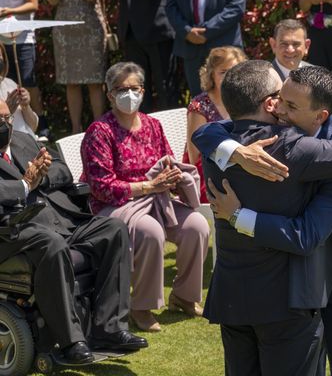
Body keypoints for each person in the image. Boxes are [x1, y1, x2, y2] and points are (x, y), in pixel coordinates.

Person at [192, 60, 332, 376]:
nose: (281, 106)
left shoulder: (220, 145)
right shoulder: (293, 148)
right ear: (269, 102)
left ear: (321, 114)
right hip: (290, 295)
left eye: (289, 102)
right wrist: (238, 155)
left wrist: (238, 211)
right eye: (280, 98)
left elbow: (205, 132)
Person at [0, 99, 147, 364]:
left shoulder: (24, 140)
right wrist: (24, 185)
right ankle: (71, 342)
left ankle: (109, 329)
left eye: (8, 118)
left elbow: (63, 170)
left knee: (112, 228)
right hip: (12, 231)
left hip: (59, 220)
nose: (5, 125)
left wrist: (42, 176)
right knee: (51, 244)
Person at [81, 62, 210, 333]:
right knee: (150, 232)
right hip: (114, 205)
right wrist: (148, 186)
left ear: (143, 90)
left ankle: (184, 296)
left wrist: (173, 178)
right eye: (121, 89)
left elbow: (166, 161)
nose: (129, 94)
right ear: (109, 94)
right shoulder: (100, 131)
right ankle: (141, 306)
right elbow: (101, 186)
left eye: (134, 88)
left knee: (196, 225)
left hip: (156, 198)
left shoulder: (153, 125)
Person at [269, 18, 332, 216]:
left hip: (320, 152)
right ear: (273, 45)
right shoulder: (264, 77)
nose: (290, 50)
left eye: (296, 44)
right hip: (279, 154)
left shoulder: (318, 75)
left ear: (306, 46)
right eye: (284, 44)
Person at [47, 0, 107, 134]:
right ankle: (75, 129)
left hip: (90, 27)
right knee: (71, 82)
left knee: (94, 81)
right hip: (65, 29)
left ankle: (99, 128)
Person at [0, 0, 48, 140]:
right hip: (1, 40)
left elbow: (33, 4)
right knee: (4, 83)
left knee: (26, 84)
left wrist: (9, 10)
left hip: (22, 38)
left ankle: (41, 126)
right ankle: (7, 123)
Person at [184, 46, 246, 202]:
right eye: (224, 72)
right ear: (211, 74)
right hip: (208, 170)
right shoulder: (199, 106)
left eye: (235, 71)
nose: (230, 77)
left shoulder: (246, 100)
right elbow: (195, 157)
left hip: (242, 163)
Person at [0, 45, 38, 137]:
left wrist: (26, 106)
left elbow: (33, 127)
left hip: (29, 144)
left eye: (0, 56)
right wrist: (5, 113)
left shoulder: (10, 84)